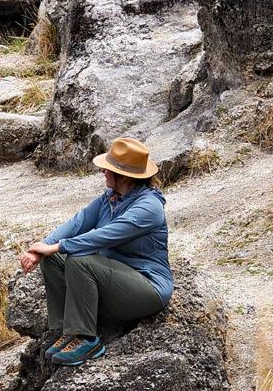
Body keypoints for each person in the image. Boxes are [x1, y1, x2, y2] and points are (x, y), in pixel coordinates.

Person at [19, 137, 172, 366]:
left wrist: (59, 246)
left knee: (80, 260)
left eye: (107, 168)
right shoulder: (110, 199)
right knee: (53, 259)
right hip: (112, 281)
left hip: (146, 288)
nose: (102, 170)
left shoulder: (149, 208)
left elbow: (103, 236)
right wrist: (41, 249)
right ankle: (67, 330)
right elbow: (77, 223)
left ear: (123, 176)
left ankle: (87, 339)